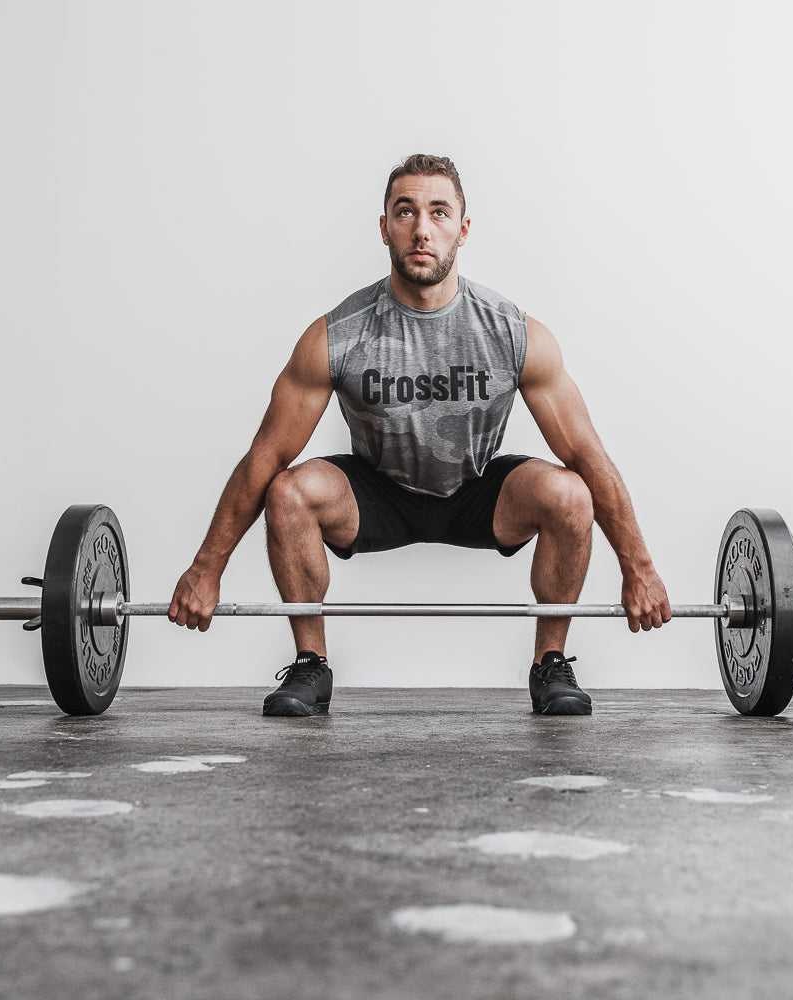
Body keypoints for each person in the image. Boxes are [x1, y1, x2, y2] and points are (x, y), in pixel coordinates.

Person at [168, 153, 672, 717]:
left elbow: (587, 454)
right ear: (384, 226)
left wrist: (640, 570)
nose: (421, 228)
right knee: (288, 490)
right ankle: (311, 664)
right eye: (405, 211)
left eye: (439, 212)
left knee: (570, 493)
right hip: (378, 492)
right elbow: (266, 455)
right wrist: (206, 568)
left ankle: (550, 663)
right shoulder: (338, 335)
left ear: (464, 227)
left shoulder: (512, 333)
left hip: (477, 489)